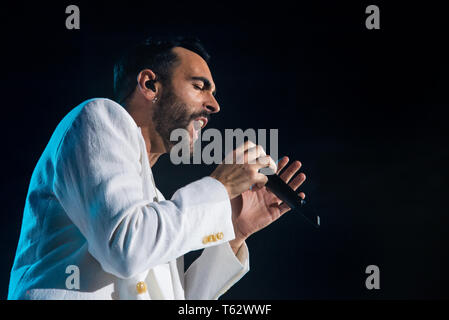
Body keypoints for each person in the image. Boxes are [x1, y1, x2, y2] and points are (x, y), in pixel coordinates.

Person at [8, 36, 306, 300]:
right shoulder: (98, 115)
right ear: (150, 85)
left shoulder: (157, 204)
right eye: (200, 86)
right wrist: (220, 186)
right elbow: (126, 249)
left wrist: (235, 231)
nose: (214, 105)